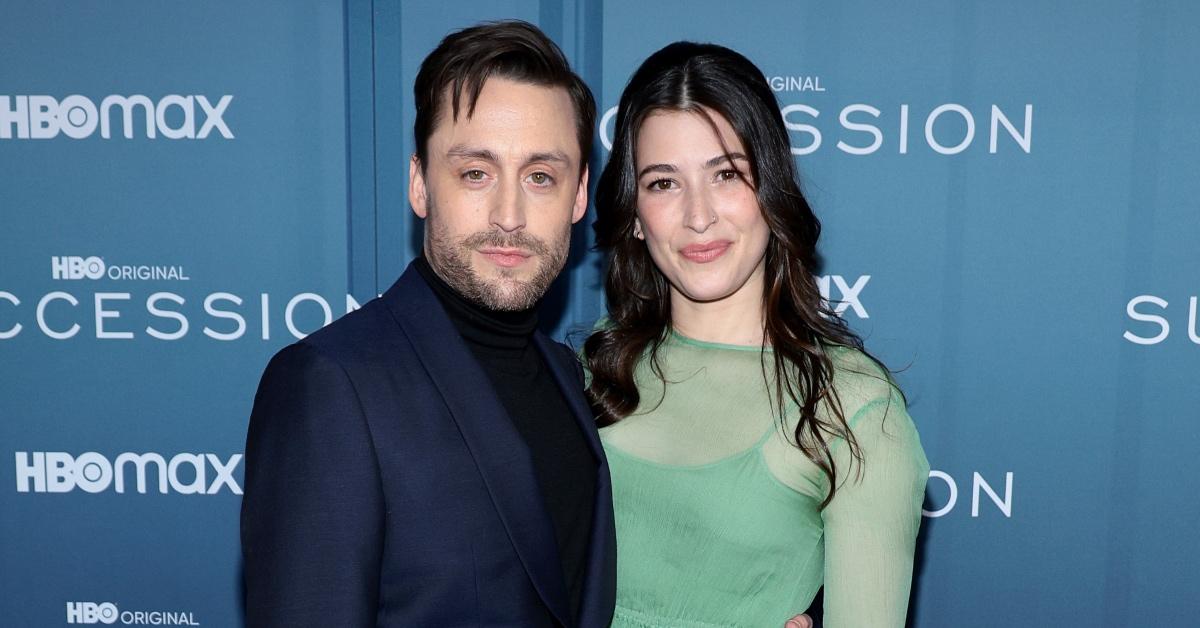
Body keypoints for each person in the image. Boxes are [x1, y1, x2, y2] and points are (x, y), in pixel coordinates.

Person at [240, 21, 616, 627]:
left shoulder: (569, 377)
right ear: (420, 184)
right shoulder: (330, 385)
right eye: (476, 172)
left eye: (540, 176)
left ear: (578, 198)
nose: (510, 215)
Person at [584, 42, 930, 627]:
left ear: (769, 189)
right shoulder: (595, 364)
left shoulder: (852, 408)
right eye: (664, 183)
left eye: (726, 174)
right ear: (636, 215)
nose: (699, 216)